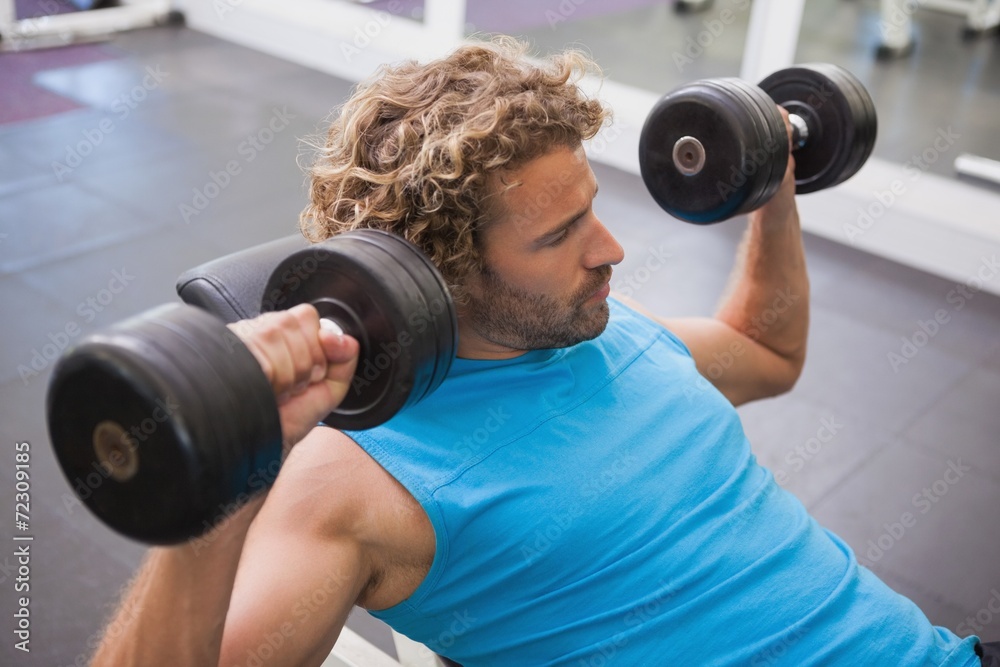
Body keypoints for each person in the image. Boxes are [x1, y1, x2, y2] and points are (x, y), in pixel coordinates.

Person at [89, 37, 990, 666]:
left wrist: (770, 185)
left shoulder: (602, 326)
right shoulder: (352, 482)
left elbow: (767, 350)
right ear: (442, 273)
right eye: (561, 235)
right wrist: (219, 488)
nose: (612, 250)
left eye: (594, 207)